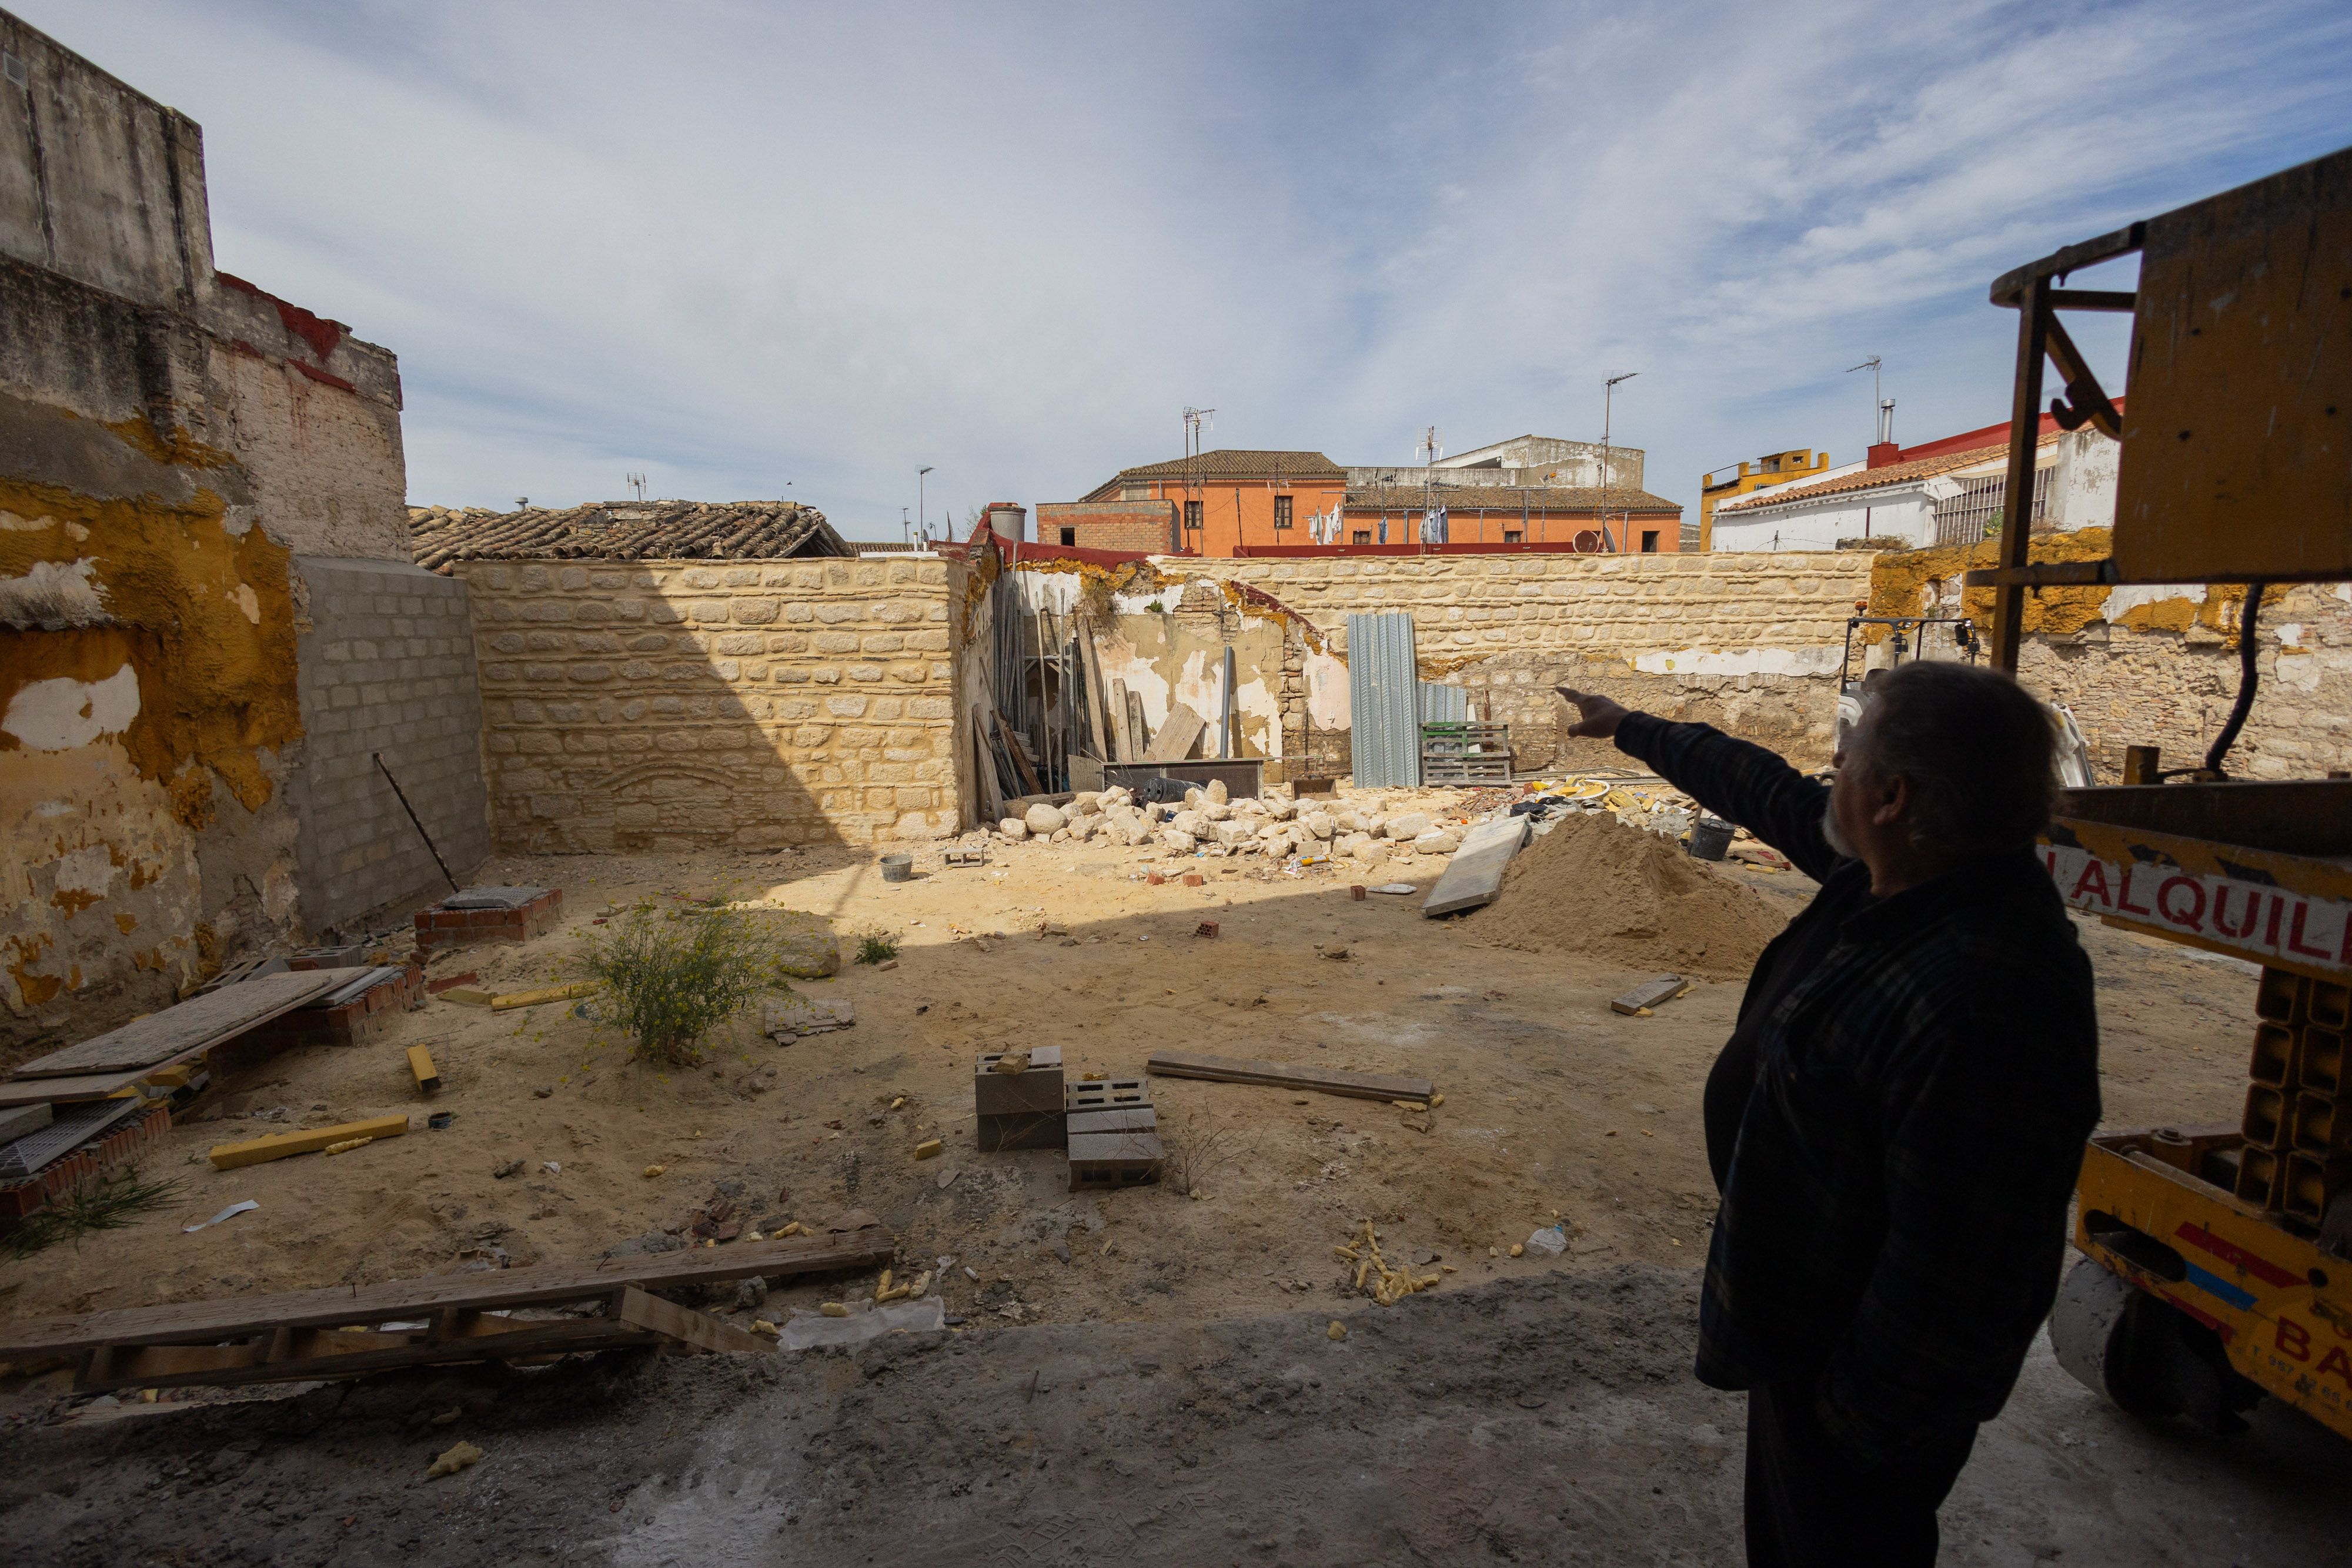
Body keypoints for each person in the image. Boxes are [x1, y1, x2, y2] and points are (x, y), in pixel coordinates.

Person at [1557, 663, 2099, 1567]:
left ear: (1892, 797)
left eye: (1848, 756)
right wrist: (1630, 727)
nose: (1831, 770)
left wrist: (1852, 1421)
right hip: (1806, 1329)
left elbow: (1961, 1274)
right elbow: (1760, 786)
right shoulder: (1902, 878)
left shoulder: (1984, 994)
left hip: (1858, 1391)